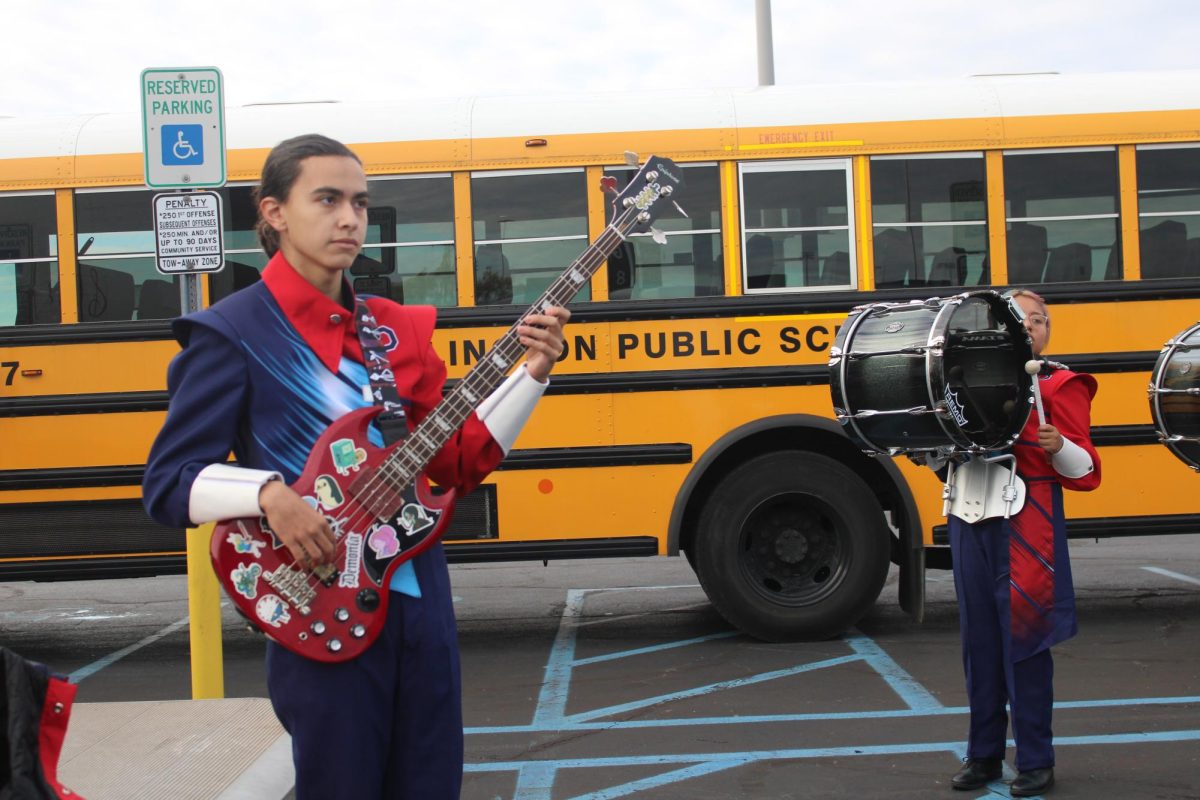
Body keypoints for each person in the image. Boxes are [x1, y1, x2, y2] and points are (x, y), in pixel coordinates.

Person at [142, 133, 570, 799]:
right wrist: (269, 496)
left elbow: (460, 460)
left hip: (419, 597)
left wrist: (533, 374)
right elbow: (168, 483)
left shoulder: (395, 328)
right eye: (328, 199)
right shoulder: (233, 333)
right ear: (275, 213)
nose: (350, 219)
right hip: (319, 606)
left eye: (361, 203)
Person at [935, 289, 1101, 796]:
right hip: (970, 515)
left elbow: (1087, 469)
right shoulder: (953, 381)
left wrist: (1061, 446)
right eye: (1020, 318)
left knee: (1026, 643)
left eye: (1040, 319)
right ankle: (983, 754)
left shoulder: (1057, 383)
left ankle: (1035, 759)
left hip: (1029, 521)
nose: (1031, 326)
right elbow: (942, 462)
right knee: (978, 644)